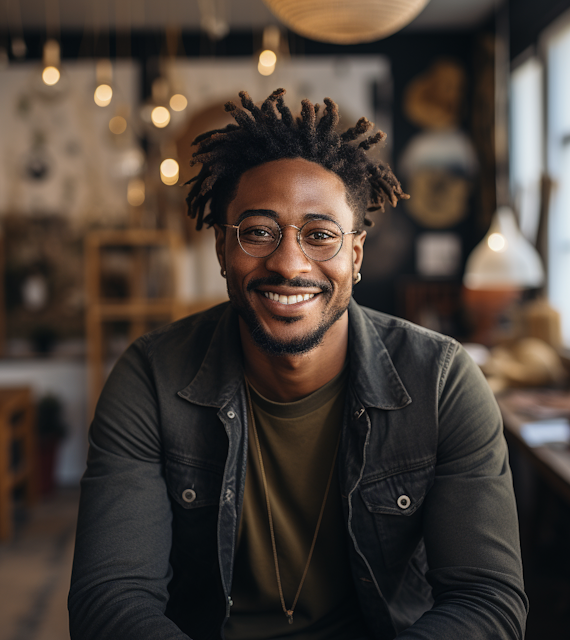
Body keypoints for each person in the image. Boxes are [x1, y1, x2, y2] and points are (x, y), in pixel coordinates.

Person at [69, 89, 528, 639]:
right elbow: (110, 601)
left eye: (320, 236)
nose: (288, 263)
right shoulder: (150, 378)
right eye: (259, 231)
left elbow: (487, 600)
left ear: (354, 256)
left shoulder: (442, 383)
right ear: (221, 248)